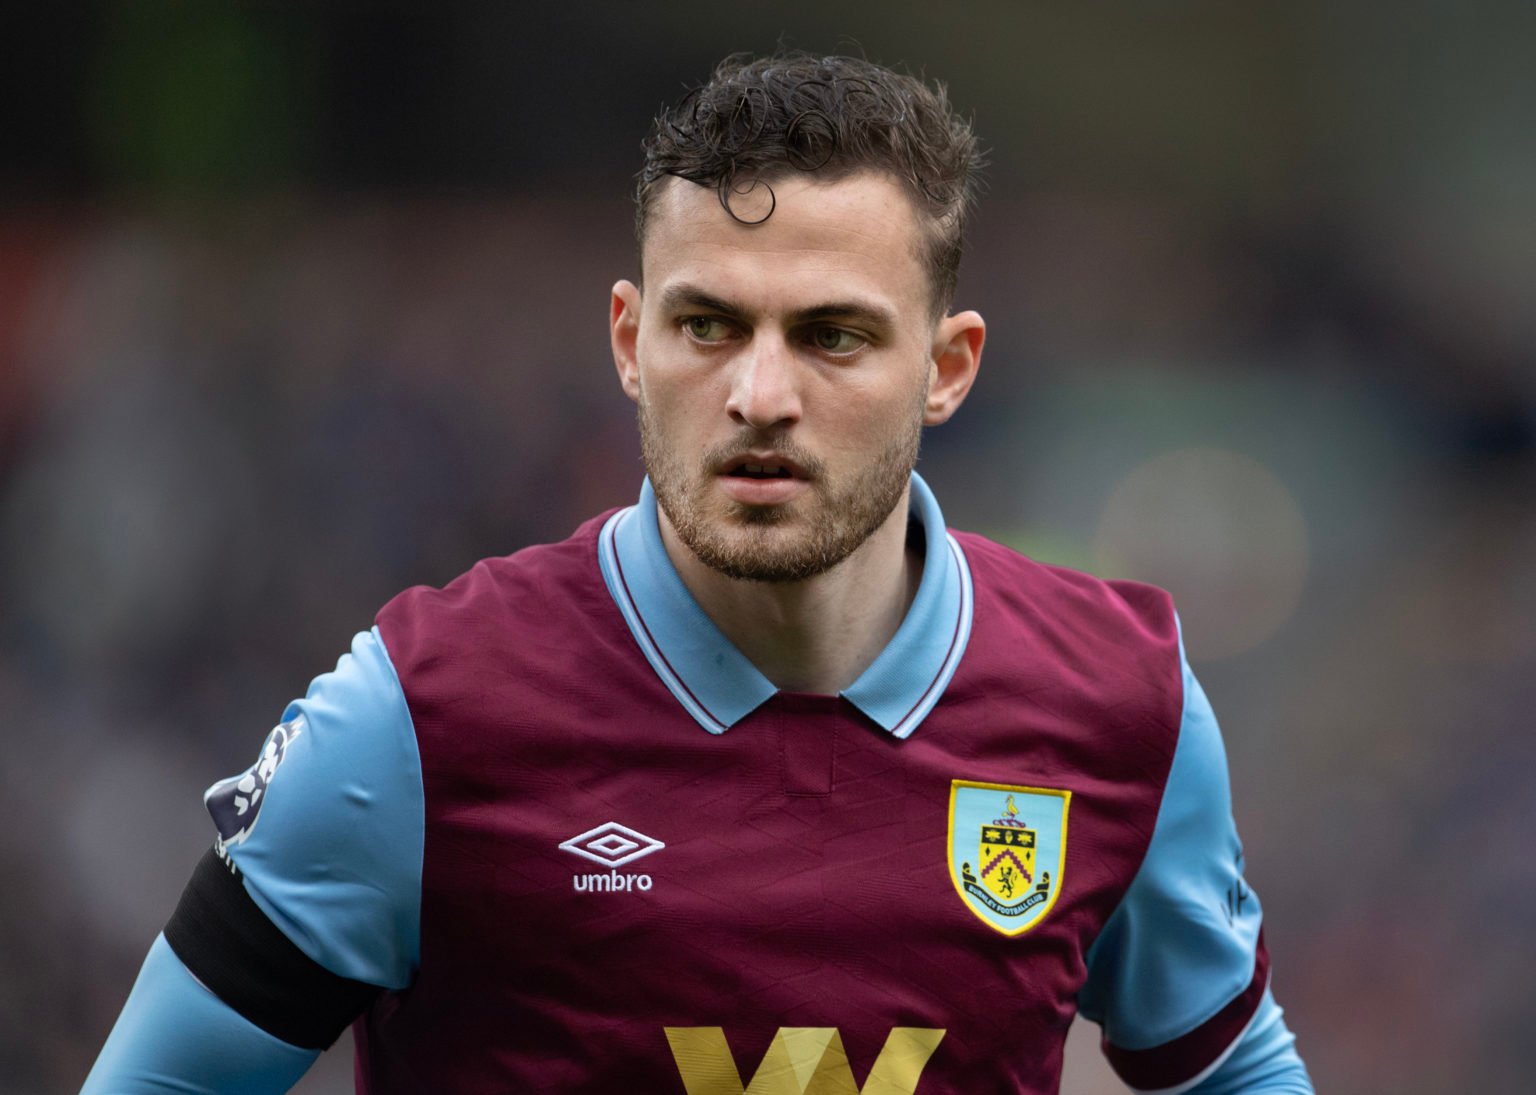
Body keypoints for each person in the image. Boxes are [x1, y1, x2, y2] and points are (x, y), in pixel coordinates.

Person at [85, 52, 1312, 1093]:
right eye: (707, 325)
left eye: (833, 335)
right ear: (631, 341)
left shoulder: (1120, 703)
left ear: (948, 366)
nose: (760, 396)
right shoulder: (418, 716)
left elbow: (1239, 1067)